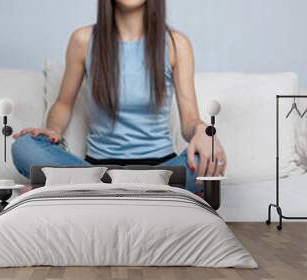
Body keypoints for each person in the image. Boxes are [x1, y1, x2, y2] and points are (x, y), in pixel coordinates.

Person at [12, 0, 227, 193]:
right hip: (97, 168)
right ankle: (137, 193)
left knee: (205, 160)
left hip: (160, 170)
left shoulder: (176, 44)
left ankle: (88, 190)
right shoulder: (83, 40)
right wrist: (53, 130)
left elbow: (190, 120)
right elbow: (63, 103)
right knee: (24, 146)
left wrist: (202, 131)